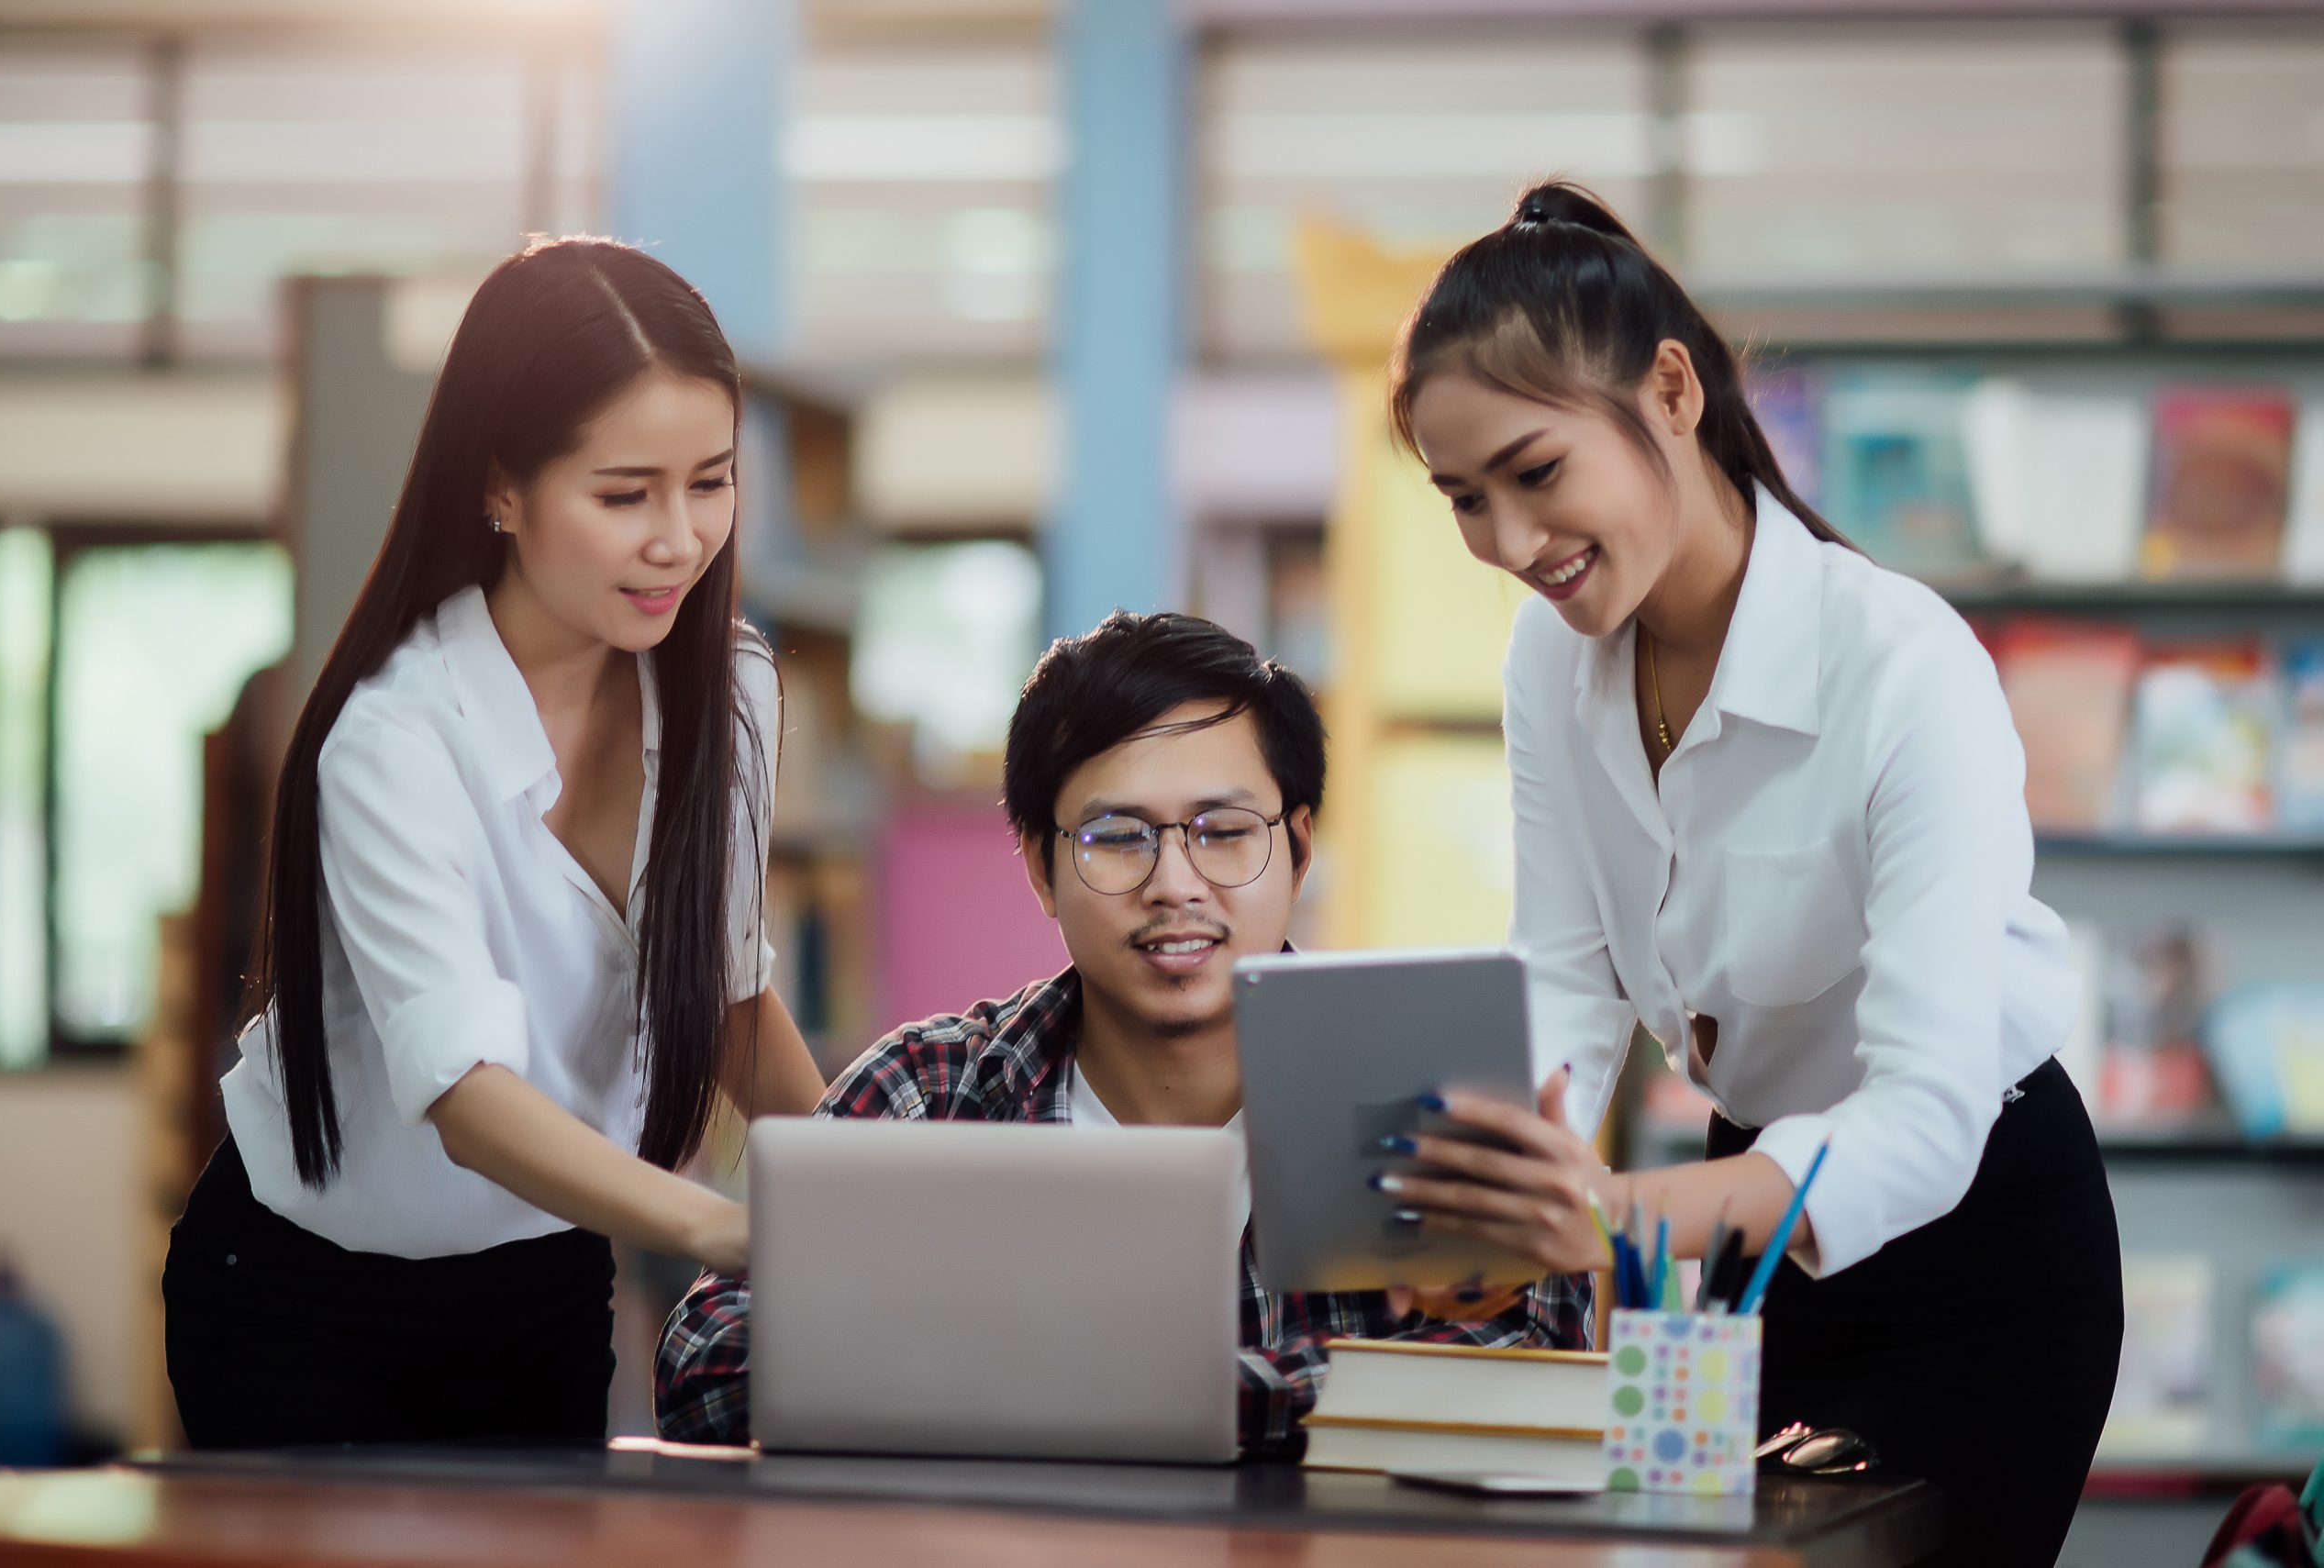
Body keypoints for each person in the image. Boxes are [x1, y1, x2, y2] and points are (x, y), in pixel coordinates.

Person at [1376, 183, 2121, 1567]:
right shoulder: (1551, 661)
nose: (1510, 544)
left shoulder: (1903, 665)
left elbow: (1931, 1104)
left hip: (1981, 1244)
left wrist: (1629, 1212)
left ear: (1671, 391)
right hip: (1735, 1236)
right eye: (1464, 500)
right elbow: (1566, 970)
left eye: (1536, 474)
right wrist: (1505, 1181)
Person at [162, 239, 827, 1450]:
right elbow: (468, 1100)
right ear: (500, 488)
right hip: (300, 1295)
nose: (680, 539)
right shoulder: (395, 739)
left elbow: (731, 998)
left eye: (712, 482)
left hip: (537, 1285)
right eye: (625, 495)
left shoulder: (731, 696)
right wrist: (730, 1226)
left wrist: (862, 1191)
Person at [653, 611, 1591, 1453]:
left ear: (1297, 845)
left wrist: (1039, 1384)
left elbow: (1523, 1356)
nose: (1174, 883)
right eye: (1117, 836)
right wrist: (1287, 1389)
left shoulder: (1428, 1087)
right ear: (1037, 864)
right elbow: (705, 1361)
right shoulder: (930, 1088)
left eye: (1223, 831)